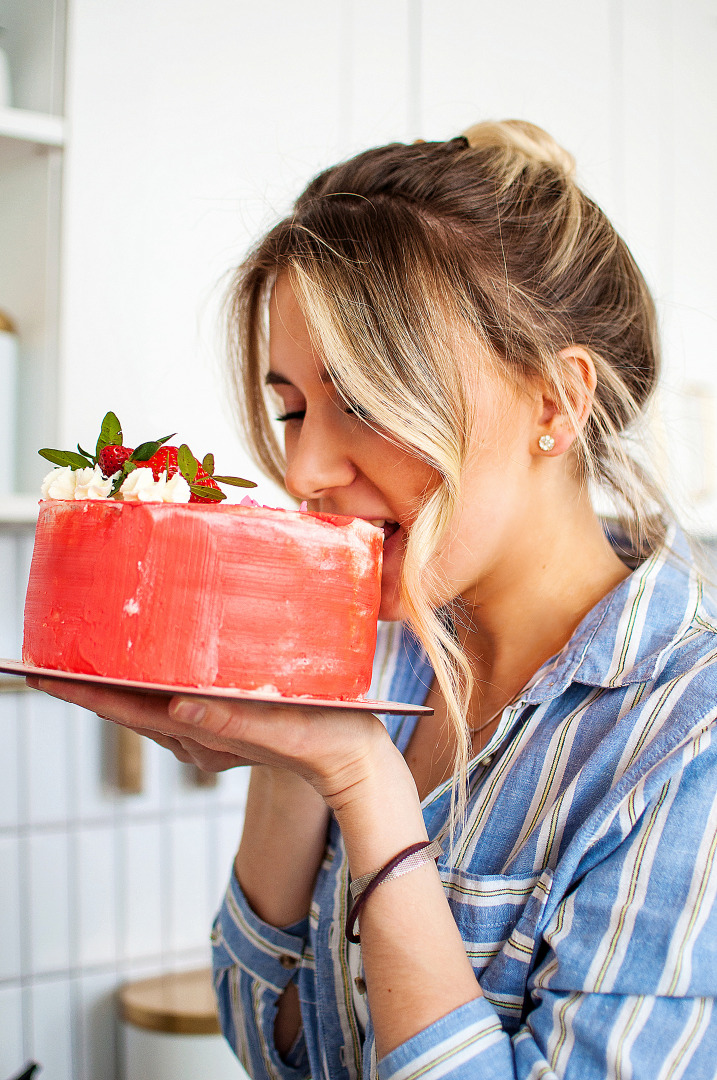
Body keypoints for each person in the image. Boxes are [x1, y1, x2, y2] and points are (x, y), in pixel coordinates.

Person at [31, 121, 717, 1079]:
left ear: (555, 406)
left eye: (365, 397)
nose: (304, 467)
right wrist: (291, 754)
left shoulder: (683, 744)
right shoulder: (378, 647)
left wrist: (359, 780)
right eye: (293, 408)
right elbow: (266, 1036)